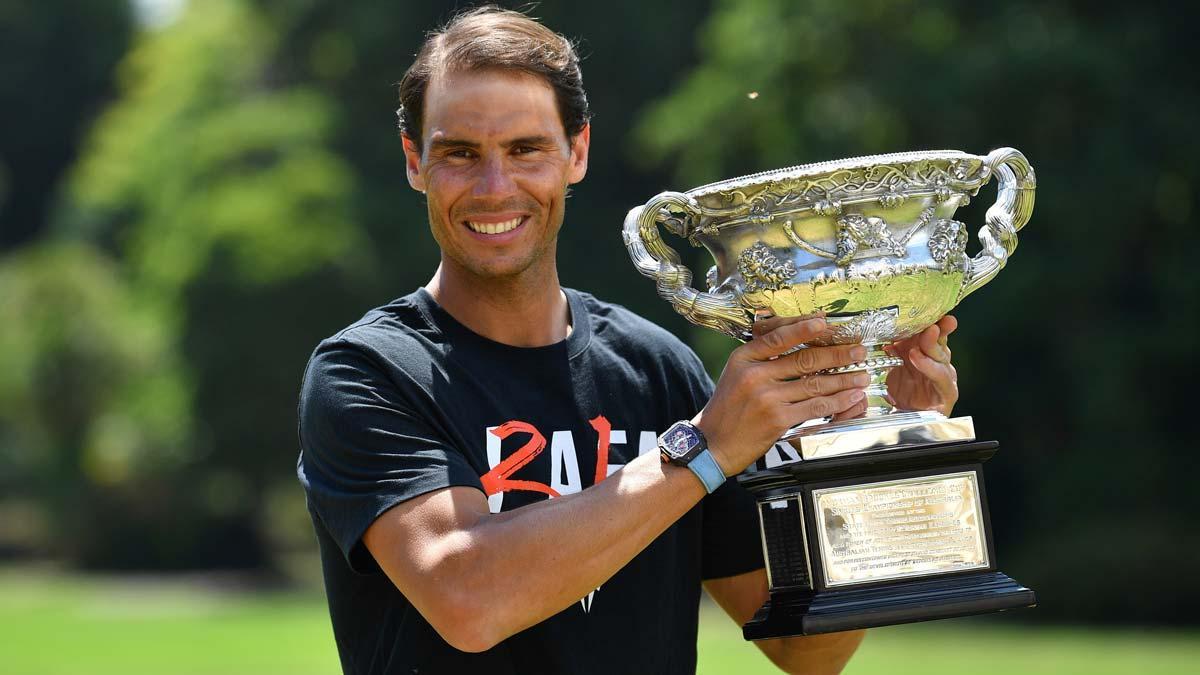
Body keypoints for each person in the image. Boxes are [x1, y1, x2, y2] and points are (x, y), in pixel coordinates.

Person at [296, 7, 961, 674]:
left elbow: (806, 646)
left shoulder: (656, 371)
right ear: (416, 163)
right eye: (460, 153)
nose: (495, 188)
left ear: (576, 151)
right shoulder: (368, 372)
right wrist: (703, 449)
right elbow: (468, 597)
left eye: (526, 149)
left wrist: (891, 447)